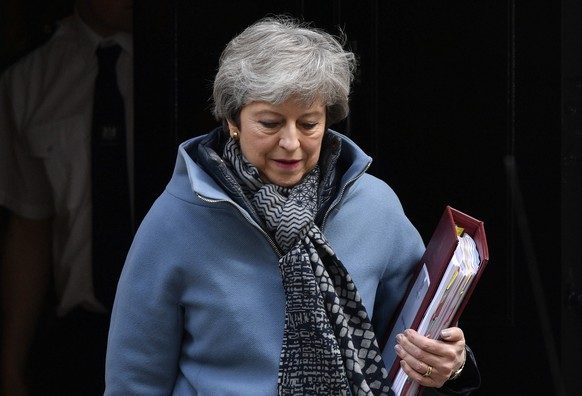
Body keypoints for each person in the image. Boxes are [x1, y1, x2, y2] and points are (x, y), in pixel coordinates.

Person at [105, 16, 481, 395]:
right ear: (232, 120)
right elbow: (133, 380)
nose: (291, 143)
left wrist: (453, 363)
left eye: (308, 123)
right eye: (269, 123)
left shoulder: (375, 207)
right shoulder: (177, 218)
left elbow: (420, 336)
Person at [0, 1, 133, 395]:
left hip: (193, 326)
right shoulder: (29, 76)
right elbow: (30, 225)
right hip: (84, 338)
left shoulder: (200, 59)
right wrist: (10, 366)